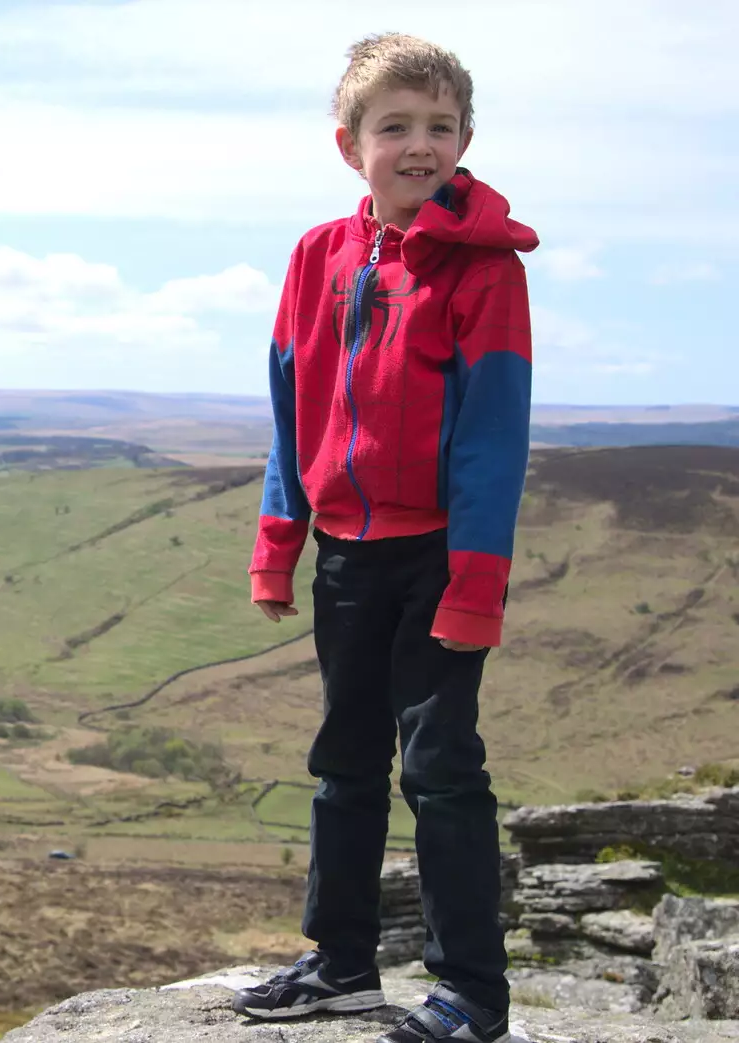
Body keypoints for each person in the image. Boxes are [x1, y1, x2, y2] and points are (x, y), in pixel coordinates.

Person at [231, 31, 538, 1043]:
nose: (419, 146)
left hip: (440, 551)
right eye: (394, 126)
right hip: (346, 552)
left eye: (440, 128)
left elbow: (493, 439)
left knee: (440, 764)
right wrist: (280, 539)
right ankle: (341, 963)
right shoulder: (316, 256)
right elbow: (290, 408)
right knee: (343, 757)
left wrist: (476, 584)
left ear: (465, 140)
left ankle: (470, 993)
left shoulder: (483, 270)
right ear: (347, 143)